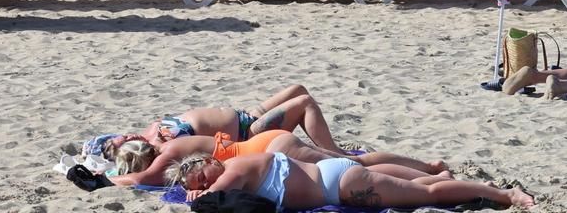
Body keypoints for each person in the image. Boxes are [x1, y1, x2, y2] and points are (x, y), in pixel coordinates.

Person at [168, 151, 534, 209]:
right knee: (427, 184)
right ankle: (480, 187)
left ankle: (505, 195)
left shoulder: (233, 170)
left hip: (340, 186)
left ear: (210, 163)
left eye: (200, 177)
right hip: (339, 171)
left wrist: (192, 197)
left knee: (429, 194)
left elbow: (204, 203)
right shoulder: (240, 167)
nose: (203, 184)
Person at [108, 129, 446, 188]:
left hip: (272, 152)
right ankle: (427, 170)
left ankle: (428, 171)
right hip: (264, 144)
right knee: (354, 161)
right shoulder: (170, 143)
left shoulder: (168, 153)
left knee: (356, 165)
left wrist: (106, 178)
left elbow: (140, 180)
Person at [87, 85, 346, 158]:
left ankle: (328, 147)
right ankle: (335, 154)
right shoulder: (158, 145)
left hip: (247, 114)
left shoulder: (148, 131)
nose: (128, 137)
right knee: (305, 103)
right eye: (123, 142)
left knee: (298, 89)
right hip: (250, 134)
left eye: (121, 135)